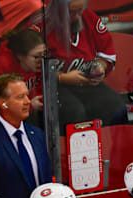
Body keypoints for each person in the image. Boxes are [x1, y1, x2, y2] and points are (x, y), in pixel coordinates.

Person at [41, 0, 127, 128]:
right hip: (52, 86)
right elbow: (30, 69)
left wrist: (100, 67)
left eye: (80, 10)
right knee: (74, 112)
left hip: (84, 81)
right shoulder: (40, 25)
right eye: (71, 12)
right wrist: (61, 78)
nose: (77, 16)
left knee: (117, 108)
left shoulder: (89, 17)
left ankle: (112, 146)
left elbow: (107, 52)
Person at [0, 29, 45, 119]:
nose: (41, 61)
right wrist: (29, 106)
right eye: (36, 56)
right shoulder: (2, 65)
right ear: (20, 56)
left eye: (44, 54)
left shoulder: (34, 66)